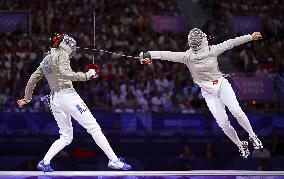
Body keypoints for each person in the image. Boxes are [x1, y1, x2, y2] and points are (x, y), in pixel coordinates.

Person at [139, 28, 263, 158]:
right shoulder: (193, 55)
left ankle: (253, 136)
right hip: (209, 93)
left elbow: (165, 54)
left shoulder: (190, 56)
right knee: (223, 124)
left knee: (236, 111)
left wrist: (148, 54)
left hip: (221, 85)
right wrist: (250, 36)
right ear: (202, 40)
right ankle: (240, 144)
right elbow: (232, 42)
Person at [17, 33, 131, 172]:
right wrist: (87, 75)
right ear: (64, 45)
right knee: (93, 127)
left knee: (66, 136)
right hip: (68, 96)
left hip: (54, 100)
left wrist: (27, 98)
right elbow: (66, 74)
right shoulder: (62, 54)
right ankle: (114, 161)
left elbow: (32, 80)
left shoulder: (45, 59)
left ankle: (45, 161)